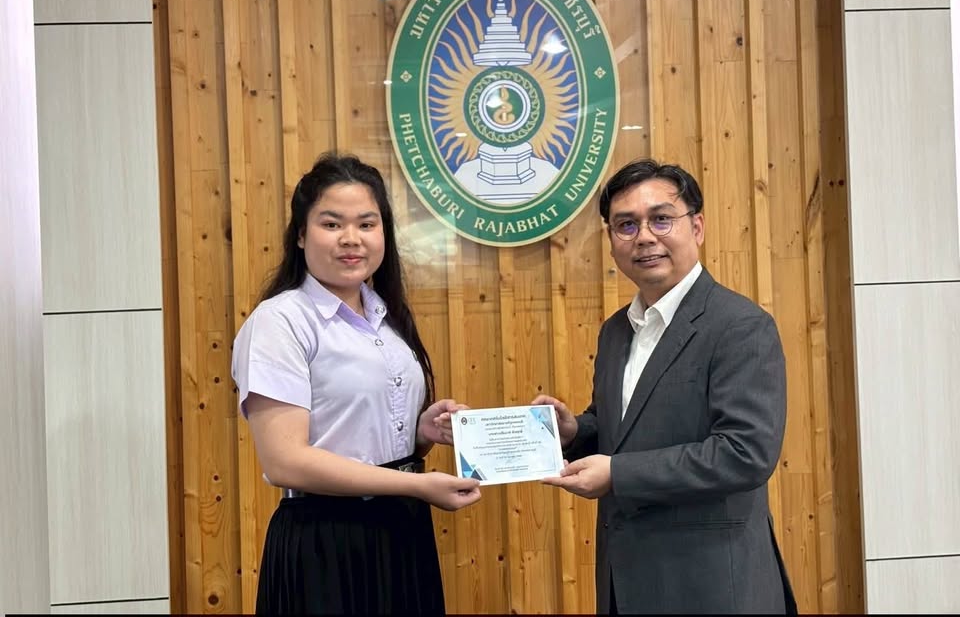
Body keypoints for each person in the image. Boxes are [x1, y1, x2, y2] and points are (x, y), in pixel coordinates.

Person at [534, 158, 796, 614]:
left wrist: (617, 474)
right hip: (627, 582)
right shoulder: (616, 330)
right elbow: (623, 429)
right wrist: (576, 431)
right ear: (611, 241)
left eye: (661, 219)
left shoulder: (740, 326)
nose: (644, 237)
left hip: (712, 588)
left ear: (697, 227)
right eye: (626, 225)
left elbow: (745, 453)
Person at [231, 152, 481, 615]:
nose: (351, 239)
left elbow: (361, 434)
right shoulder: (280, 322)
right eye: (332, 224)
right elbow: (285, 461)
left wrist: (421, 433)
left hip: (402, 531)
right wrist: (416, 486)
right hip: (325, 540)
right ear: (301, 234)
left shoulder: (386, 317)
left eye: (367, 224)